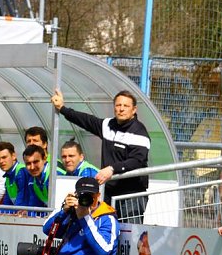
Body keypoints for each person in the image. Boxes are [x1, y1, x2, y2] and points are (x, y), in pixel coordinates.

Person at [51, 89, 151, 222]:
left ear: (134, 110)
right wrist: (62, 108)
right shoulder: (108, 125)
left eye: (126, 106)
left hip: (131, 196)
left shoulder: (139, 132)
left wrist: (112, 169)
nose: (121, 109)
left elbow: (137, 161)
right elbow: (86, 120)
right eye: (118, 105)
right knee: (107, 232)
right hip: (109, 193)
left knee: (130, 237)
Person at [0, 142, 26, 206]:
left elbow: (21, 202)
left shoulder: (21, 172)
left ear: (13, 156)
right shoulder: (8, 176)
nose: (1, 161)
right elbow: (7, 203)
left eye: (4, 157)